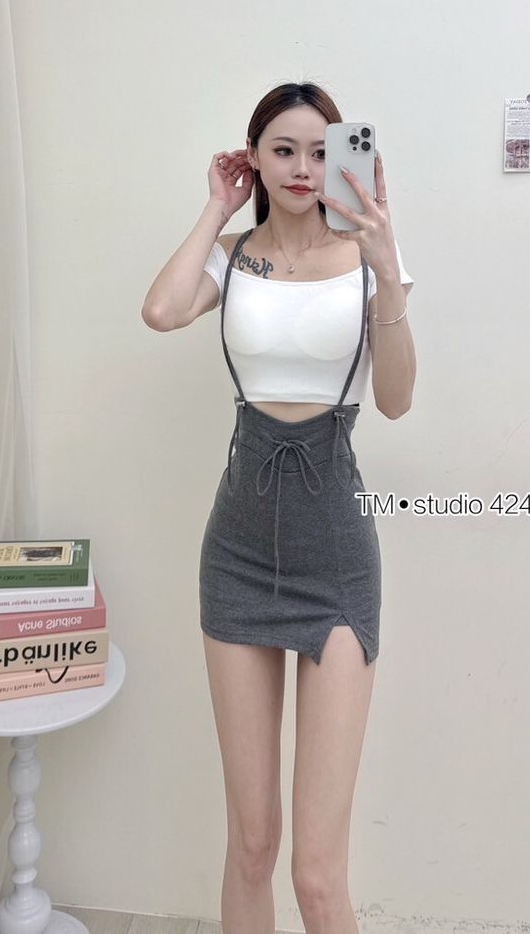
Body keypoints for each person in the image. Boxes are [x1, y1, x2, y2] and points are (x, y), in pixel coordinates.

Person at [141, 80, 417, 934]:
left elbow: (397, 399)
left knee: (317, 874)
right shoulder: (234, 257)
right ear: (254, 158)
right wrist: (216, 208)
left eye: (321, 150)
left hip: (334, 556)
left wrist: (387, 271)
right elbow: (161, 310)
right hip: (237, 552)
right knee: (253, 845)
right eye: (284, 149)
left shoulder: (367, 257)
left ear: (343, 159)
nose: (303, 167)